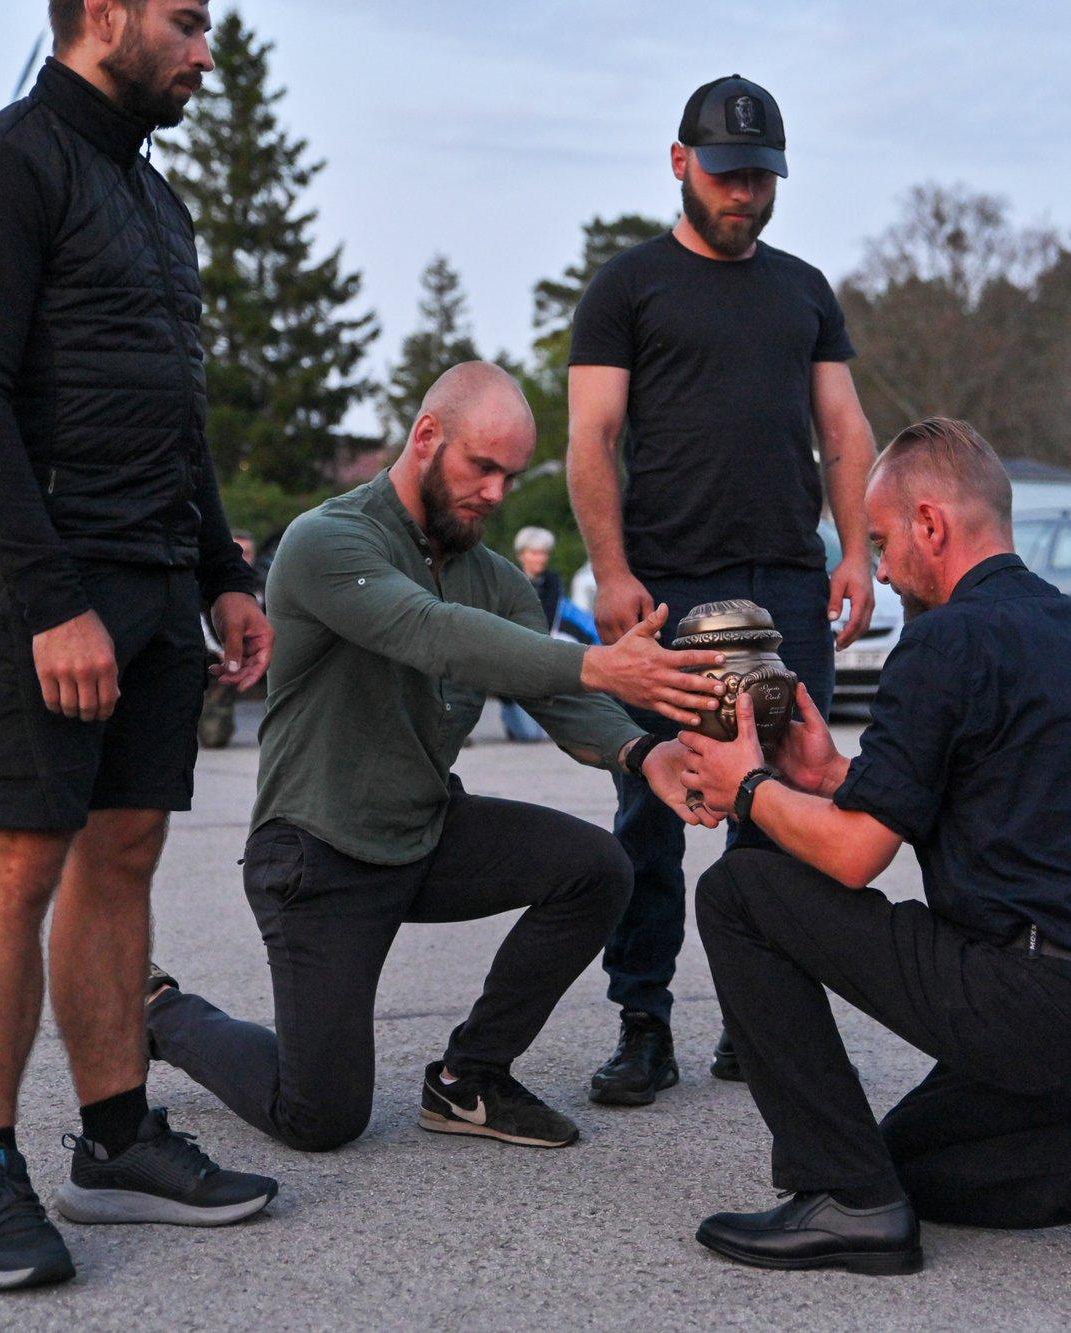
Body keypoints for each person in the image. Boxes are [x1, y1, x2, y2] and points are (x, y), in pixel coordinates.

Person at [0, 0, 276, 1293]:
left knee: (123, 853)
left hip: (151, 582)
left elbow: (177, 413)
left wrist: (225, 572)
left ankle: (117, 1136)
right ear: (105, 14)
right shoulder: (2, 170)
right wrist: (55, 598)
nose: (206, 47)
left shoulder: (160, 206)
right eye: (186, 21)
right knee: (19, 861)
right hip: (44, 590)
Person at [146, 362, 723, 1156]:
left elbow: (556, 698)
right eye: (480, 466)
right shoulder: (327, 541)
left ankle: (471, 1078)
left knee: (597, 868)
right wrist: (597, 663)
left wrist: (644, 750)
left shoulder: (494, 579)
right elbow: (428, 630)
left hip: (423, 832)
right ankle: (159, 1011)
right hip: (319, 854)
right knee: (321, 1117)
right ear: (426, 437)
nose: (495, 491)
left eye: (510, 476)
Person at [675, 418, 1071, 1278]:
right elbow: (991, 796)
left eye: (882, 542)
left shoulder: (946, 638)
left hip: (1036, 1000)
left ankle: (842, 1203)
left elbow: (853, 859)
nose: (879, 570)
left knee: (741, 886)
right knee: (901, 1164)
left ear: (932, 524)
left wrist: (749, 785)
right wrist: (831, 774)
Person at [567, 74, 879, 1105]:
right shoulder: (627, 288)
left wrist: (856, 550)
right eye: (725, 173)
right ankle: (641, 1020)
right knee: (653, 806)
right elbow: (590, 440)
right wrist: (611, 573)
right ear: (677, 162)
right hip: (667, 588)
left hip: (786, 583)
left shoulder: (802, 289)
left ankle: (761, 1014)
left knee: (779, 799)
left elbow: (842, 429)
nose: (743, 193)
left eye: (760, 177)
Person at [498, 525, 596, 743]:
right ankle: (510, 711)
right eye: (534, 553)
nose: (540, 559)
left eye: (543, 553)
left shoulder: (553, 584)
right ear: (521, 555)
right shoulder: (506, 580)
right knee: (529, 736)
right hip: (515, 659)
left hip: (543, 653)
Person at [198, 530, 260, 749]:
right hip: (212, 658)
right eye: (238, 553)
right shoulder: (207, 584)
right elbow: (199, 622)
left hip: (253, 657)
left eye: (248, 553)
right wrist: (220, 651)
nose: (244, 558)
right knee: (213, 738)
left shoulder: (262, 584)